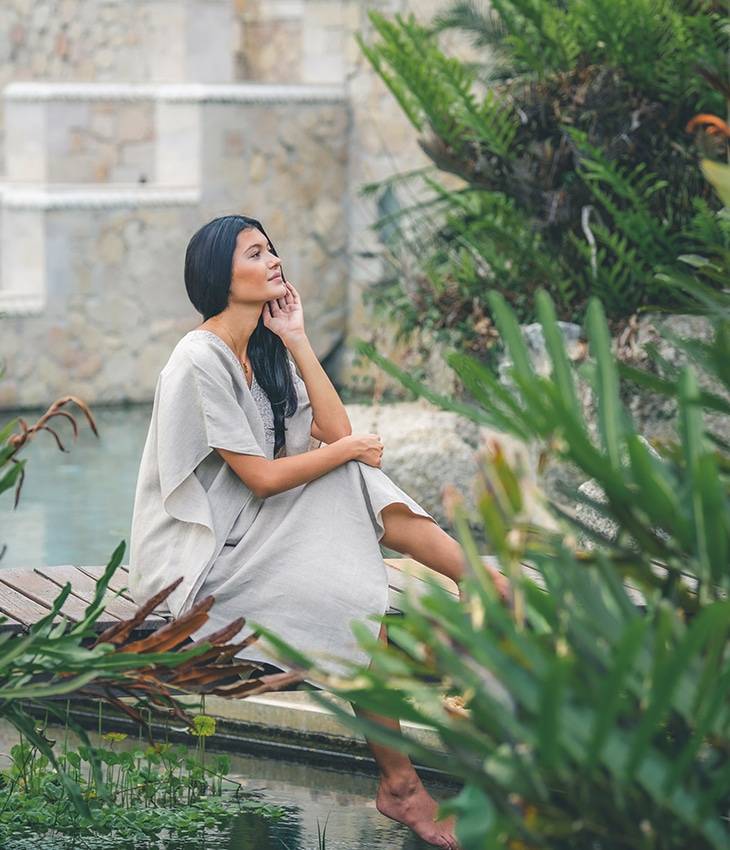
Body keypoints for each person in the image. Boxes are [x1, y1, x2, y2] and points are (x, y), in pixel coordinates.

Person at [128, 214, 508, 850]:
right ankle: (480, 595)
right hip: (200, 566)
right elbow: (263, 478)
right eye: (256, 253)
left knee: (347, 477)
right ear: (220, 275)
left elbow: (335, 430)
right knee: (348, 506)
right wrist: (347, 449)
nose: (274, 260)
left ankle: (480, 588)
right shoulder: (198, 359)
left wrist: (298, 339)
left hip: (254, 534)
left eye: (272, 249)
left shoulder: (265, 349)